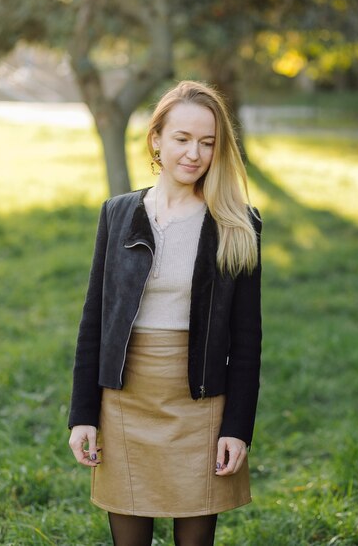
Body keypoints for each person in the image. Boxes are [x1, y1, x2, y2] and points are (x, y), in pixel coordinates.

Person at [68, 80, 262, 546]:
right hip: (125, 403)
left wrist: (237, 428)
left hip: (201, 405)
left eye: (207, 142)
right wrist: (83, 415)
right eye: (182, 138)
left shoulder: (237, 224)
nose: (194, 153)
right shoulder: (118, 215)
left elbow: (248, 338)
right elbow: (94, 320)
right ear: (156, 138)